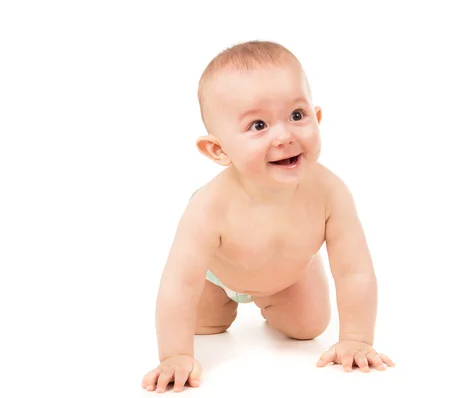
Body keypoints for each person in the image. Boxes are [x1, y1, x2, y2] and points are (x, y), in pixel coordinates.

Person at [142, 40, 395, 393]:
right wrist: (174, 355)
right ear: (218, 150)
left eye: (297, 115)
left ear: (316, 118)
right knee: (204, 325)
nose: (285, 136)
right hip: (214, 276)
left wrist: (356, 338)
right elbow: (179, 284)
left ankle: (286, 287)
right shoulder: (209, 207)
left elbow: (354, 270)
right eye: (258, 125)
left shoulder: (330, 191)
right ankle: (221, 301)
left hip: (288, 276)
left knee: (308, 327)